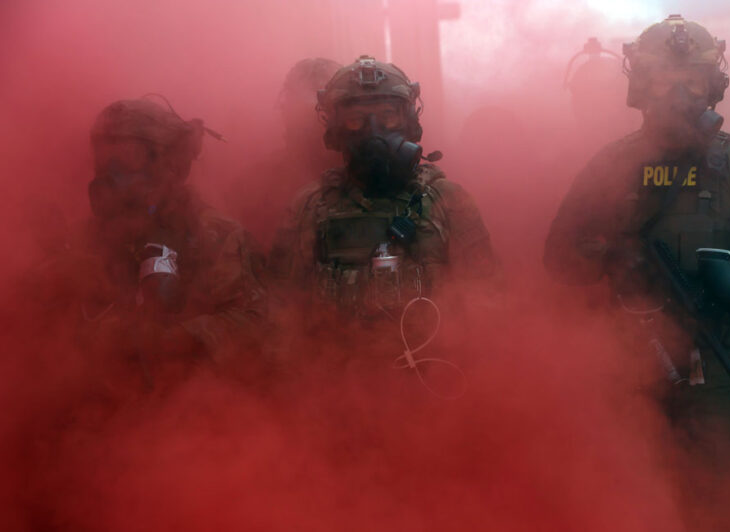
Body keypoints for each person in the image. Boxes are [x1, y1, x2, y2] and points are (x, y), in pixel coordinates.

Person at [544, 15, 730, 474]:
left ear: (712, 86)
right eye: (664, 79)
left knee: (717, 488)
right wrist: (611, 259)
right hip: (627, 361)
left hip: (714, 355)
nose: (678, 94)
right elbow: (558, 256)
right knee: (631, 484)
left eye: (692, 80)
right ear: (642, 84)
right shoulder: (613, 165)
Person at [31, 97, 267, 392]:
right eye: (103, 159)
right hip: (101, 402)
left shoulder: (214, 236)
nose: (110, 174)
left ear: (168, 167)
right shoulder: (89, 236)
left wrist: (176, 339)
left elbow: (256, 324)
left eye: (127, 159)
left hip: (187, 403)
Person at [270, 56, 500, 340]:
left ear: (409, 122)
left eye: (388, 116)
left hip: (430, 364)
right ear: (335, 130)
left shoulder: (448, 201)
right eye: (356, 120)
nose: (373, 132)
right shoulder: (309, 206)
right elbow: (282, 311)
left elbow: (487, 306)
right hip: (337, 365)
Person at [223, 57, 342, 248]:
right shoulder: (253, 185)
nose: (309, 126)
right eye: (302, 113)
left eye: (319, 115)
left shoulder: (364, 178)